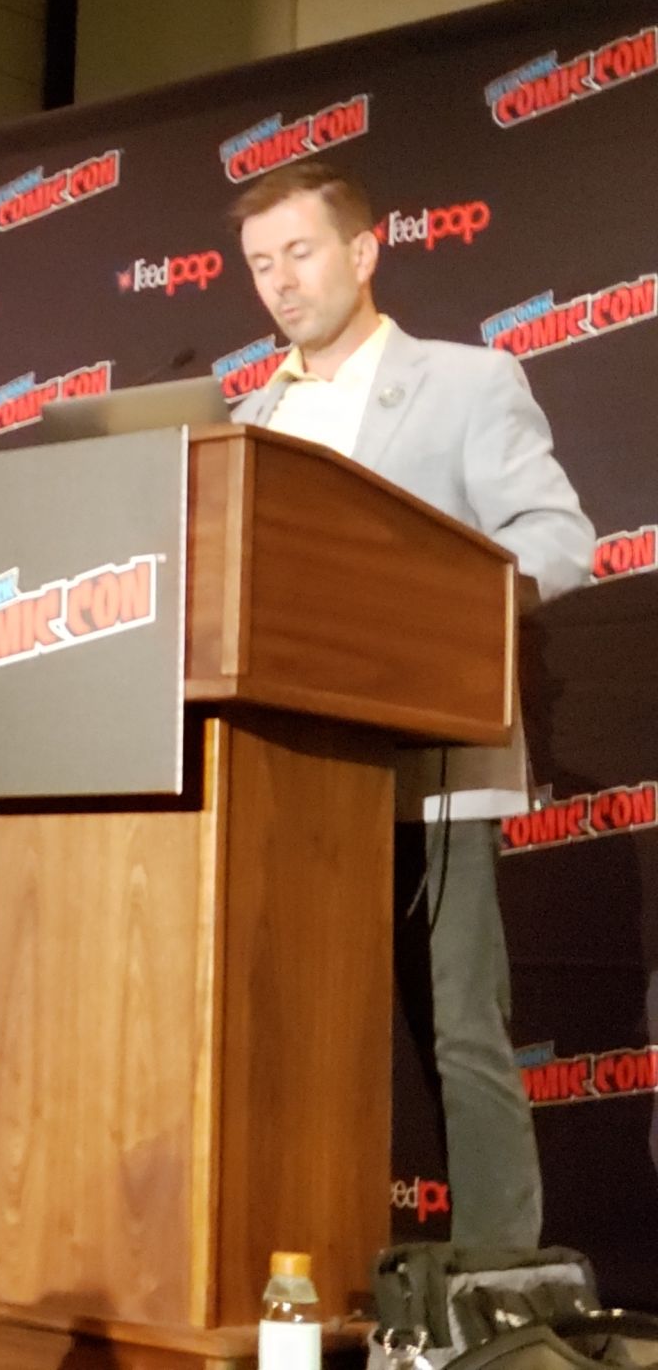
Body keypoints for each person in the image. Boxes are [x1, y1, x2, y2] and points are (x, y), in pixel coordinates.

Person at [228, 161, 593, 1249]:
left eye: (299, 252)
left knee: (461, 1031)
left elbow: (556, 539)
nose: (280, 281)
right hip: (283, 775)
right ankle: (301, 1261)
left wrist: (423, 602)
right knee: (292, 1031)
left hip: (431, 767)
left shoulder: (466, 382)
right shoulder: (246, 418)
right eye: (259, 264)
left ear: (362, 250)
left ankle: (498, 1281)